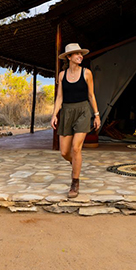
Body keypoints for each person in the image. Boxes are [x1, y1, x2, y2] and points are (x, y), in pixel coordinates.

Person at [51, 43, 100, 198]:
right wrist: (54, 114)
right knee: (64, 152)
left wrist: (97, 114)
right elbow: (59, 97)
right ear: (69, 57)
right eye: (77, 54)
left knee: (76, 148)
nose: (80, 56)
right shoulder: (62, 75)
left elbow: (91, 95)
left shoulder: (87, 73)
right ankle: (76, 164)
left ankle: (75, 182)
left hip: (83, 111)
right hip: (66, 112)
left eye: (81, 54)